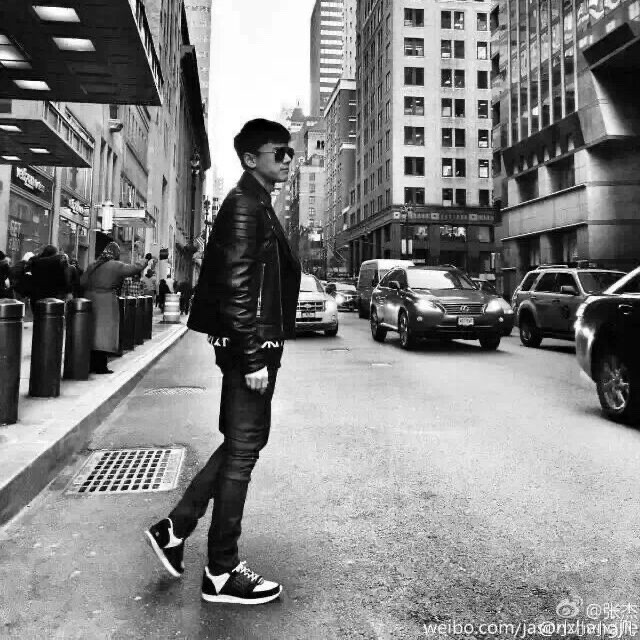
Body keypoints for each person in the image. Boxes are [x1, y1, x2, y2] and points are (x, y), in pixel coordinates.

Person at [145, 119, 301, 605]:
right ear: (251, 159)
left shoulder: (257, 202)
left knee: (242, 443)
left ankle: (175, 528)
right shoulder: (245, 206)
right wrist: (252, 357)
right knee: (244, 451)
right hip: (251, 347)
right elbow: (237, 288)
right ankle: (221, 571)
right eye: (279, 152)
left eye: (290, 152)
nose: (288, 159)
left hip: (254, 344)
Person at [80, 242, 154, 374]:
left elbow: (82, 281)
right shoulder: (115, 266)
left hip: (90, 299)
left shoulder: (93, 265)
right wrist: (145, 260)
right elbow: (134, 268)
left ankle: (91, 364)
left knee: (92, 332)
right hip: (106, 301)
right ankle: (101, 366)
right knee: (104, 334)